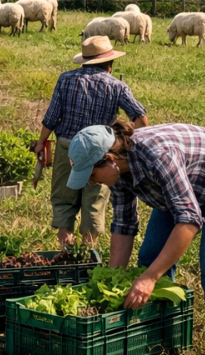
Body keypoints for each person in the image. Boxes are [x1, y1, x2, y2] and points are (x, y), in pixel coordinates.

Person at [66, 121, 205, 355]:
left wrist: (149, 278)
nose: (92, 182)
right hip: (179, 186)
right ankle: (159, 338)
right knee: (150, 259)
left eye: (92, 174)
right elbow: (124, 226)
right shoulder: (118, 175)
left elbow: (188, 220)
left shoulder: (157, 156)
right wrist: (113, 279)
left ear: (111, 159)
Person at [33, 35, 148, 248]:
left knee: (63, 196)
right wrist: (139, 144)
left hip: (67, 146)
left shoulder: (65, 79)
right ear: (109, 65)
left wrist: (41, 141)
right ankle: (89, 250)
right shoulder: (117, 86)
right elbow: (139, 116)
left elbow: (52, 116)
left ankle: (65, 245)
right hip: (101, 152)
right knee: (94, 200)